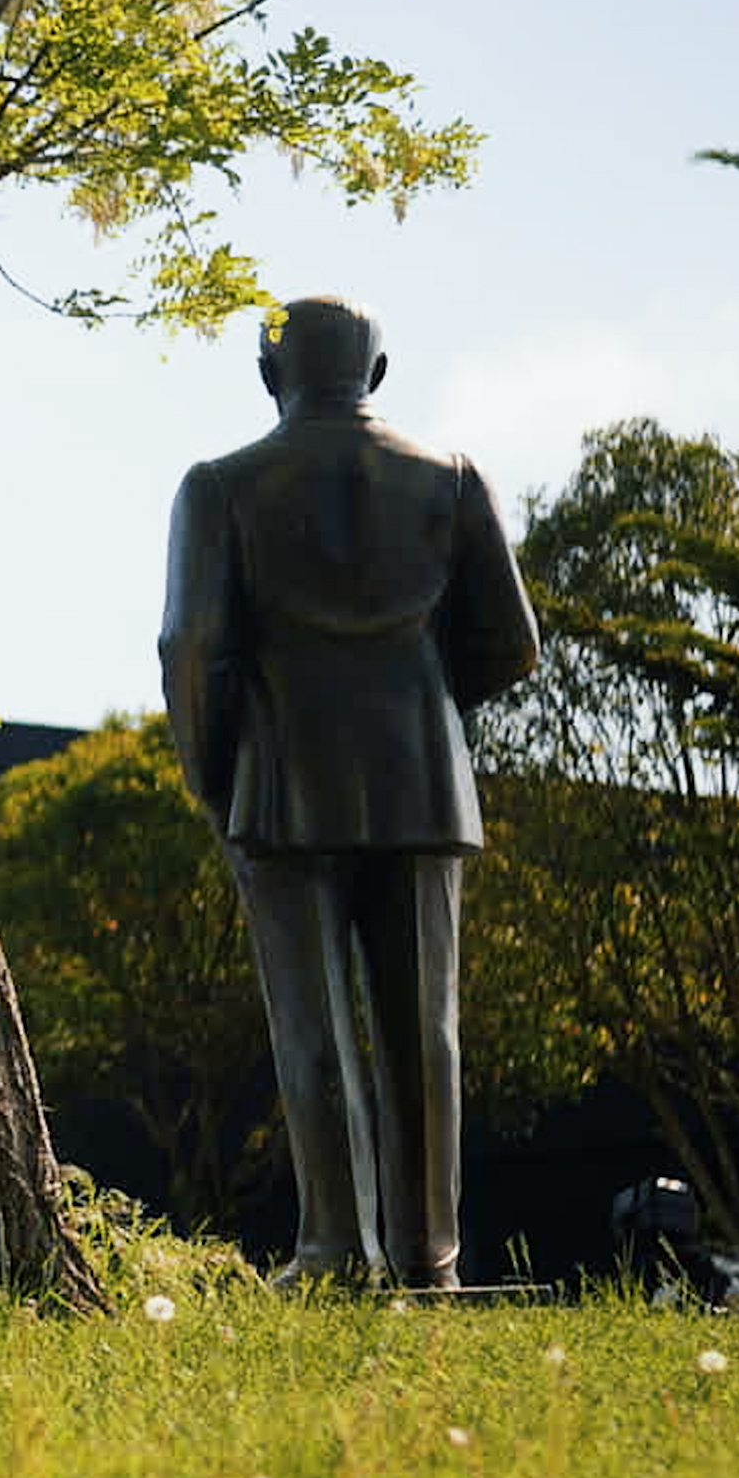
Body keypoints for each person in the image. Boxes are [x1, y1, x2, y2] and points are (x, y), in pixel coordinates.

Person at [161, 296, 540, 1288]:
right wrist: (416, 698)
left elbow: (189, 647)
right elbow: (511, 643)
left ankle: (336, 1249)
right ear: (376, 373)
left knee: (311, 1024)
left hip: (281, 784)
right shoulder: (451, 481)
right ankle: (429, 1257)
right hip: (421, 778)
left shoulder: (219, 486)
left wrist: (213, 773)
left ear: (267, 374)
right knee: (427, 1032)